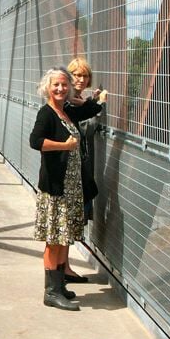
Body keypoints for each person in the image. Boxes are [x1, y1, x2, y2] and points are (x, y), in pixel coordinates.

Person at [29, 67, 85, 311]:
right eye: (56, 85)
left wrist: (93, 99)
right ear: (47, 88)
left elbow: (89, 109)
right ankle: (51, 292)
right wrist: (64, 146)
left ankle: (60, 285)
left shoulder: (65, 112)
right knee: (54, 240)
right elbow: (36, 141)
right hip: (56, 189)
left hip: (70, 188)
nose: (61, 88)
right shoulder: (47, 113)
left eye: (64, 84)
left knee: (64, 238)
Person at [63, 57, 107, 284]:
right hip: (71, 169)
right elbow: (85, 132)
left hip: (80, 166)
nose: (81, 79)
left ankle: (65, 268)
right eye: (76, 75)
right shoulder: (68, 103)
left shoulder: (76, 101)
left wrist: (90, 104)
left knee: (72, 221)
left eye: (84, 75)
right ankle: (62, 270)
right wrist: (97, 109)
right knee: (70, 220)